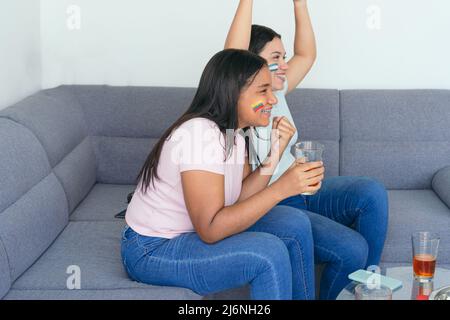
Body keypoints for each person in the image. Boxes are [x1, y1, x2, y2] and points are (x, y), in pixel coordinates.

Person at [121, 49, 325, 300]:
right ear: (232, 93)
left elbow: (238, 198)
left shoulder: (233, 134)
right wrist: (282, 188)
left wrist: (276, 153)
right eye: (263, 90)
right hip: (152, 249)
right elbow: (210, 229)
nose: (272, 100)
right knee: (268, 253)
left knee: (294, 223)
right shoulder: (199, 135)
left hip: (187, 234)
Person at [224, 0, 389, 300]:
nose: (285, 65)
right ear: (249, 65)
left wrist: (299, 2)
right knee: (352, 249)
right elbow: (231, 55)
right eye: (276, 57)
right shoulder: (238, 97)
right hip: (275, 203)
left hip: (303, 190)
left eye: (284, 57)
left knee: (372, 192)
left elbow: (307, 54)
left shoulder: (277, 90)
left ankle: (367, 289)